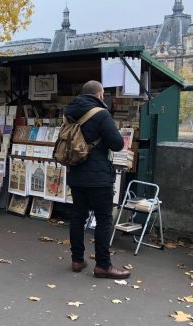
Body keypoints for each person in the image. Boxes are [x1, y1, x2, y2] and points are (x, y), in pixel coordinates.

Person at [65, 80, 129, 279]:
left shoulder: (69, 113)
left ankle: (77, 260)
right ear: (99, 95)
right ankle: (103, 265)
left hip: (76, 173)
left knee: (77, 216)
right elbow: (117, 144)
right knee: (103, 219)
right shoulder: (101, 114)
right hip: (99, 177)